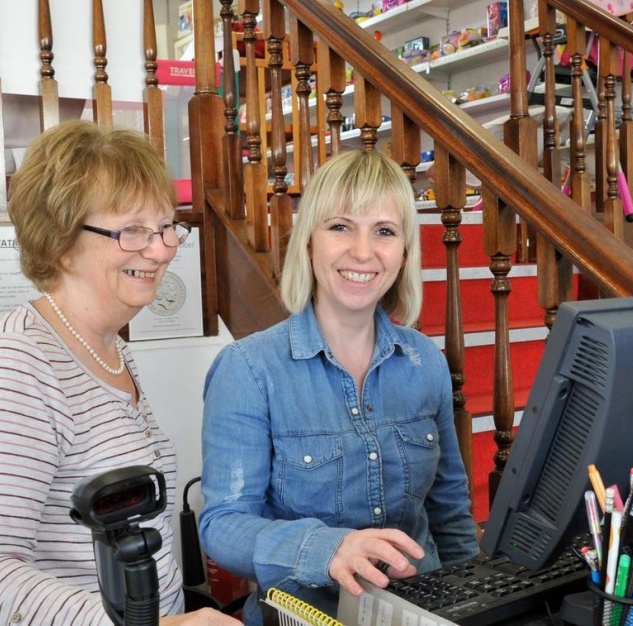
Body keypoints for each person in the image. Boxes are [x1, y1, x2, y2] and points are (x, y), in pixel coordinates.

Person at [199, 149, 480, 626]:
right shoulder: (248, 370)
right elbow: (222, 526)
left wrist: (475, 599)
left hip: (424, 612)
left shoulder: (425, 362)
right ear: (309, 242)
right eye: (341, 226)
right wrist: (328, 548)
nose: (364, 252)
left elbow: (450, 513)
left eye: (385, 231)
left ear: (405, 251)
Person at [0, 120, 241, 626]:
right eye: (132, 230)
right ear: (62, 241)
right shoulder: (22, 362)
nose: (161, 249)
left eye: (164, 226)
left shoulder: (110, 347)